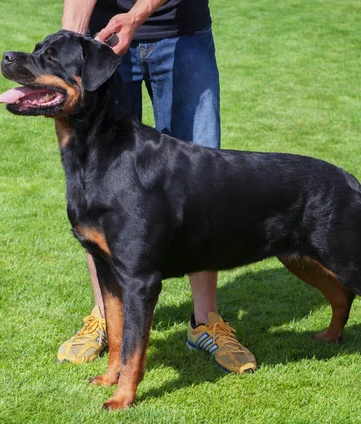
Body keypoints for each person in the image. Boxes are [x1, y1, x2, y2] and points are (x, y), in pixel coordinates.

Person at [56, 0, 257, 374]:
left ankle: (205, 321)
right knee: (98, 188)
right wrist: (73, 40)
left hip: (182, 33)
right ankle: (104, 318)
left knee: (202, 180)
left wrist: (137, 14)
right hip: (105, 39)